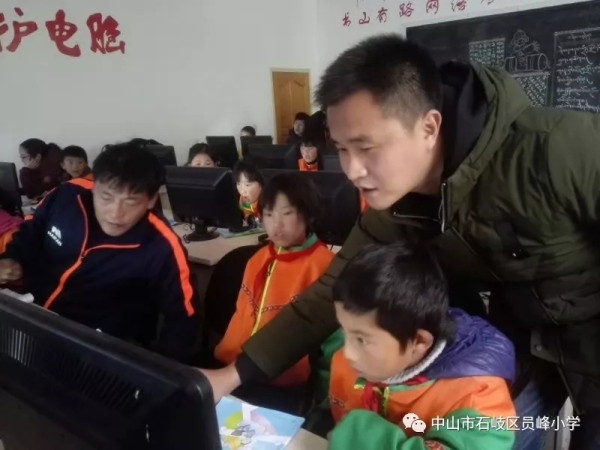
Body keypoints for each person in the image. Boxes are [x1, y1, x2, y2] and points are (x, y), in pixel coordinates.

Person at [200, 33, 600, 449]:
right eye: (342, 149)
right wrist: (232, 375)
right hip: (511, 342)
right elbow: (329, 292)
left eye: (366, 147)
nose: (352, 170)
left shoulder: (556, 149)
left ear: (429, 127)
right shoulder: (396, 206)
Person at [0, 140, 201, 363]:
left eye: (131, 202)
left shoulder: (162, 245)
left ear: (151, 200)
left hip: (95, 351)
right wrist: (13, 259)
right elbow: (31, 232)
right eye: (106, 197)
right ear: (94, 186)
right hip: (30, 320)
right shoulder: (66, 196)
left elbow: (184, 318)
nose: (115, 213)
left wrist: (156, 372)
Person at [325, 242, 515, 449]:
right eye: (344, 330)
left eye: (362, 340)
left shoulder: (477, 396)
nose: (348, 353)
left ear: (419, 342)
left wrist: (362, 433)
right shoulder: (349, 363)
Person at [214, 173, 334, 411]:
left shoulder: (325, 267)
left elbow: (330, 350)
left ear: (308, 214)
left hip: (285, 384)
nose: (276, 225)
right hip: (235, 372)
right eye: (268, 214)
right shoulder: (257, 259)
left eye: (286, 213)